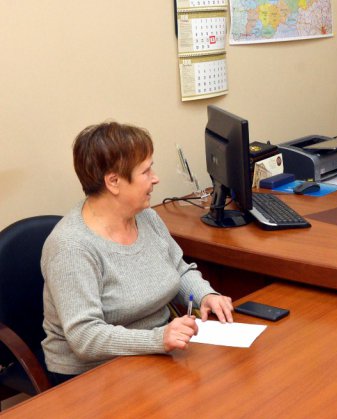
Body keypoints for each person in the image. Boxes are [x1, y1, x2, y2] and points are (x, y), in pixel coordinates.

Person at [41, 121, 234, 383]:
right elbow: (85, 338)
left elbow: (177, 269)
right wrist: (157, 339)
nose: (155, 178)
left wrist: (205, 295)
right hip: (93, 375)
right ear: (114, 182)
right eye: (146, 171)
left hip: (154, 354)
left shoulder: (145, 216)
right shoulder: (71, 247)